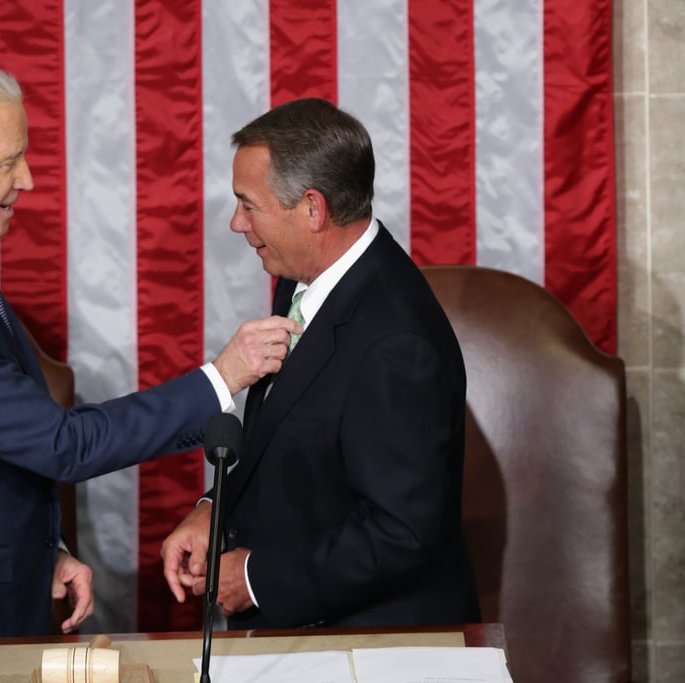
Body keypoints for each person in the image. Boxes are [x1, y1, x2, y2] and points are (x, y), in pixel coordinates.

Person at [0, 63, 299, 683]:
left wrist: (40, 550)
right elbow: (60, 443)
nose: (26, 179)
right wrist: (222, 377)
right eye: (9, 161)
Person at [160, 98, 481, 631]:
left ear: (313, 209)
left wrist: (258, 577)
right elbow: (291, 451)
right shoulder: (307, 279)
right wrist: (215, 509)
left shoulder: (396, 342)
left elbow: (402, 533)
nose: (236, 222)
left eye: (248, 203)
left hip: (377, 644)